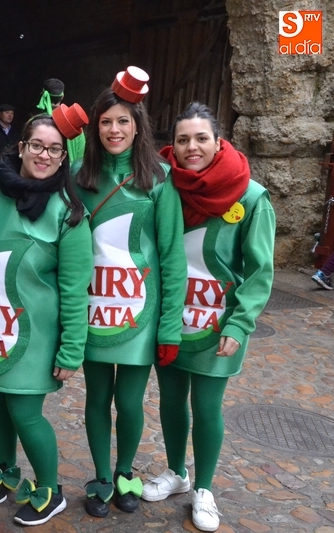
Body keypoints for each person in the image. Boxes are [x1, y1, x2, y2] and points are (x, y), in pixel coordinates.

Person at [142, 102, 275, 532]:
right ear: (173, 146)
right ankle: (177, 472)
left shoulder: (250, 196)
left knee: (206, 405)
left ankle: (204, 487)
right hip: (171, 318)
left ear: (218, 142)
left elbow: (259, 270)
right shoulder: (165, 189)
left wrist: (241, 322)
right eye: (182, 140)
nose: (192, 147)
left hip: (218, 323)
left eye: (201, 138)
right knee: (170, 400)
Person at [0, 104, 93, 526]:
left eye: (54, 149)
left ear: (63, 158)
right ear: (21, 147)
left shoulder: (69, 213)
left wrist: (71, 349)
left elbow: (75, 288)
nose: (44, 155)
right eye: (37, 145)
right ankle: (6, 471)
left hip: (35, 333)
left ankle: (50, 488)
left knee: (24, 412)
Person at [72, 66, 186, 519]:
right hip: (93, 307)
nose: (114, 129)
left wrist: (170, 326)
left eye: (123, 121)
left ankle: (125, 473)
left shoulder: (159, 179)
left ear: (138, 125)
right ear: (95, 128)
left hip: (140, 311)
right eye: (105, 121)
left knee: (130, 400)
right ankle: (101, 475)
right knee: (97, 397)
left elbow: (173, 256)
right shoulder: (79, 177)